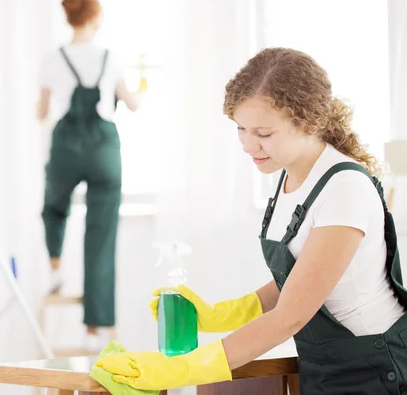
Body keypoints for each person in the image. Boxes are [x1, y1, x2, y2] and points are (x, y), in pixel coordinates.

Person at [94, 47, 407, 394]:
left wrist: (179, 370)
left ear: (308, 122)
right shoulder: (290, 177)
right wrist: (224, 313)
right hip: (327, 366)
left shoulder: (344, 188)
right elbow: (302, 277)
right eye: (241, 128)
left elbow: (291, 315)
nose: (248, 144)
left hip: (376, 369)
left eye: (263, 133)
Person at [37, 0, 143, 350]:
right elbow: (131, 103)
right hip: (103, 152)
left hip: (66, 146)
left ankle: (54, 269)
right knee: (101, 236)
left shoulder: (52, 60)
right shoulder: (110, 58)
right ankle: (94, 331)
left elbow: (41, 112)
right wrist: (141, 88)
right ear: (95, 18)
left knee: (54, 207)